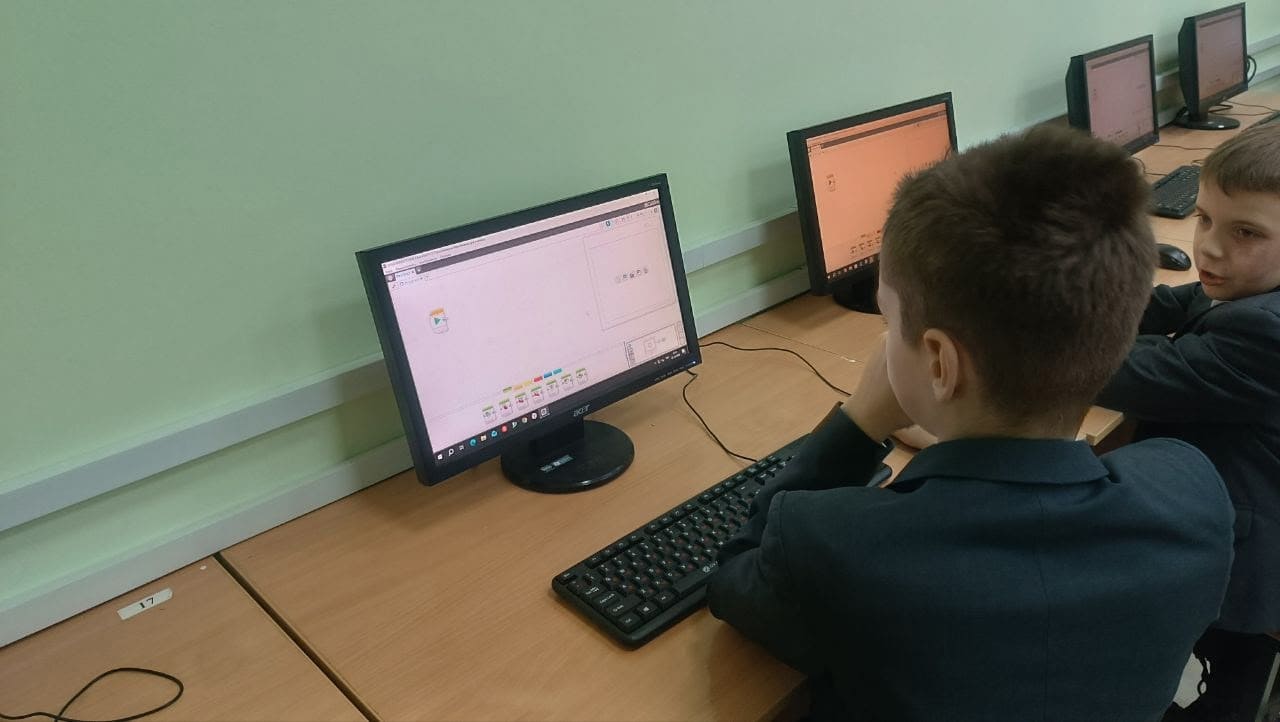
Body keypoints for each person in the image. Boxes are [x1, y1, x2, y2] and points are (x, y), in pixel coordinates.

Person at [706, 124, 1235, 721]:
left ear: (940, 362)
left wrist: (860, 420)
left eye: (889, 320)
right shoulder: (1191, 492)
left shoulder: (836, 546)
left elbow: (735, 580)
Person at [1097, 123, 1280, 722]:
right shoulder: (1242, 287)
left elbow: (1125, 372)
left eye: (1246, 232)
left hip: (1243, 559)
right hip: (1232, 492)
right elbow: (1163, 306)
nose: (1210, 248)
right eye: (1203, 219)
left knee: (1217, 691)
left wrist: (1027, 333)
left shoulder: (1265, 330)